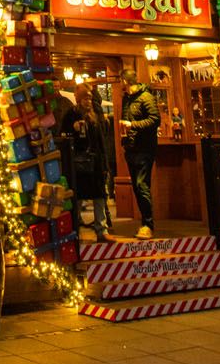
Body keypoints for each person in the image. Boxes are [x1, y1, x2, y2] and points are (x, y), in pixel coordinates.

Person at [61, 86, 110, 242]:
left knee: (100, 196)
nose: (88, 102)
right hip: (80, 163)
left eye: (89, 98)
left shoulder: (96, 114)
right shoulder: (72, 114)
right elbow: (63, 135)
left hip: (96, 162)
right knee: (78, 197)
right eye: (85, 99)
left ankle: (101, 230)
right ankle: (75, 230)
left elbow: (101, 140)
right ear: (79, 99)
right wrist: (72, 129)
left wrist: (105, 163)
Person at [119, 67, 160, 239]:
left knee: (142, 185)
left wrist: (132, 125)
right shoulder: (127, 99)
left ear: (126, 81)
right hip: (131, 148)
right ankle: (144, 223)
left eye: (122, 81)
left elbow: (155, 119)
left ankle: (148, 224)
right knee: (137, 186)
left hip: (145, 149)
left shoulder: (146, 97)